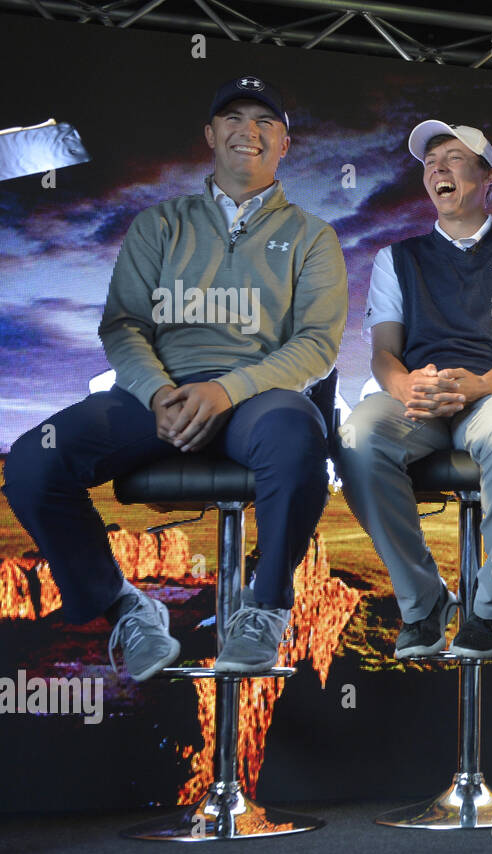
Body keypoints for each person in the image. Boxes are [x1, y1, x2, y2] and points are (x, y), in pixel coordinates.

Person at [3, 76, 347, 679]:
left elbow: (316, 345)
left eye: (266, 122)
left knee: (299, 438)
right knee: (34, 462)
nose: (250, 131)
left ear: (286, 143)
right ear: (210, 135)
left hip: (258, 398)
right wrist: (159, 392)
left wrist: (225, 391)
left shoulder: (313, 237)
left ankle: (263, 609)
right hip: (157, 395)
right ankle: (125, 609)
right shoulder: (157, 226)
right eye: (235, 118)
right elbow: (123, 326)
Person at [337, 120, 492, 660]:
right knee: (357, 435)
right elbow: (384, 353)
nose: (438, 167)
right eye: (431, 160)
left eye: (456, 158)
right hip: (421, 401)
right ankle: (424, 602)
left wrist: (478, 385)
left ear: (489, 177)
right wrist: (405, 384)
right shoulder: (397, 258)